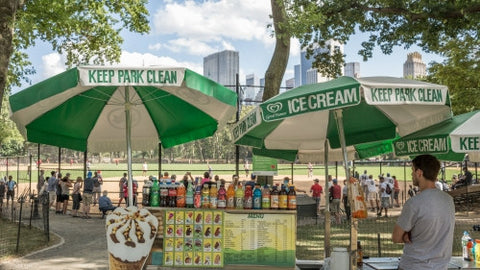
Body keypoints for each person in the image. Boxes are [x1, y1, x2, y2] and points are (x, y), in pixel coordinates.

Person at [392, 154, 455, 270]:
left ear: (419, 173)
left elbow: (396, 237)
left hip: (413, 266)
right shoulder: (449, 200)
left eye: (412, 170)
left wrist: (406, 235)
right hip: (440, 266)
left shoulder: (413, 203)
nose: (411, 174)